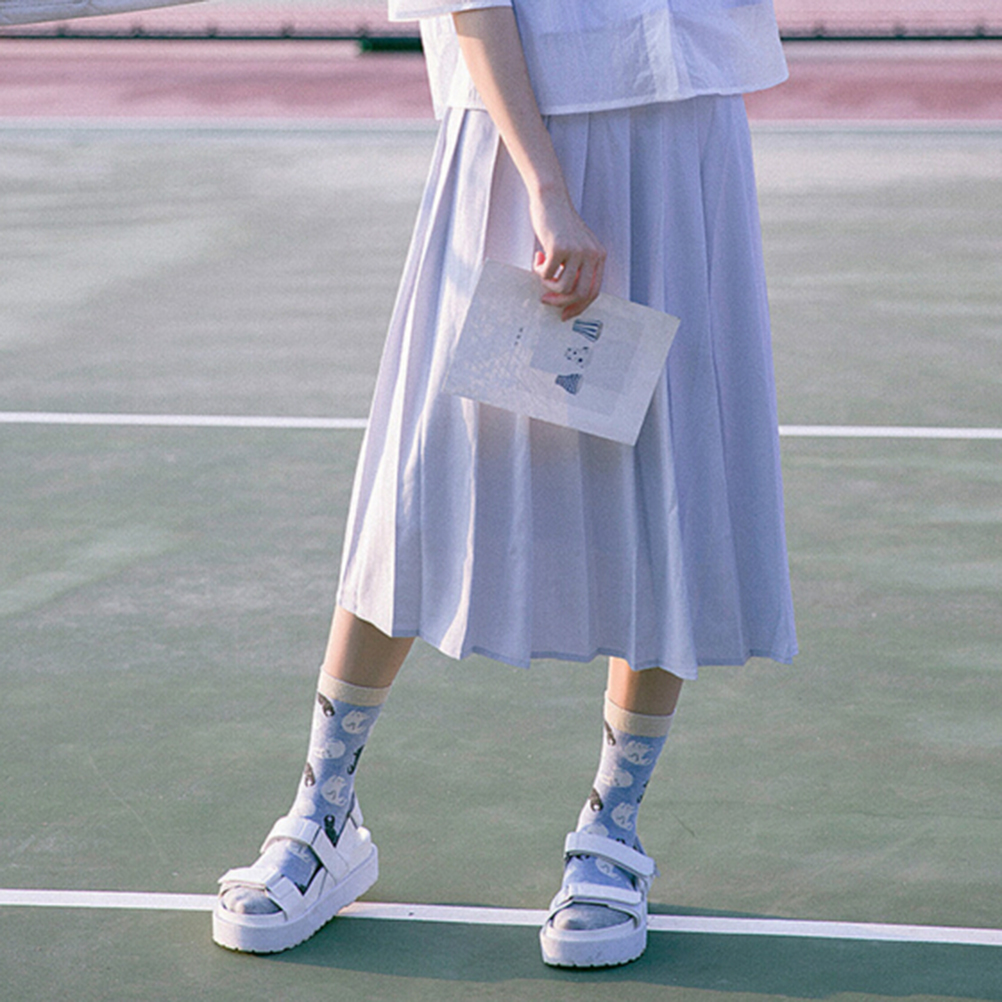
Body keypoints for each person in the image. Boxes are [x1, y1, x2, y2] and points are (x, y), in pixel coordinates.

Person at [211, 0, 797, 969]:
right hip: (512, 151)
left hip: (684, 126)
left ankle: (612, 828)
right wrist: (545, 187)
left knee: (670, 482)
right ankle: (323, 813)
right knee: (419, 484)